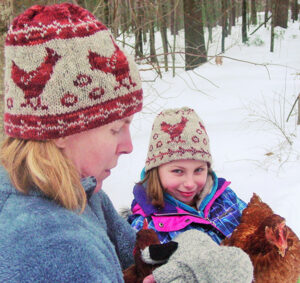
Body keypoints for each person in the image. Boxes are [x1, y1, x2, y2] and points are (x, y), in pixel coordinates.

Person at [0, 3, 143, 282]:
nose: (128, 146)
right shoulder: (55, 248)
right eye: (116, 128)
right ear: (59, 131)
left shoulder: (80, 192)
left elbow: (139, 252)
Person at [129, 107, 247, 244]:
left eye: (198, 170)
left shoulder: (225, 198)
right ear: (156, 170)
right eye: (178, 171)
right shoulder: (146, 227)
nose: (190, 183)